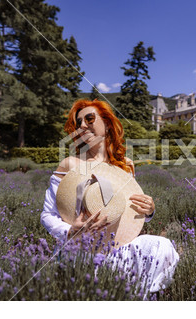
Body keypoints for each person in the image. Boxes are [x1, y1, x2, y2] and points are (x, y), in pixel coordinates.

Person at [40, 99, 179, 295]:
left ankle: (137, 300)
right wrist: (71, 231)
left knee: (162, 247)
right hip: (80, 250)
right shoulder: (69, 164)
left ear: (107, 124)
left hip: (117, 247)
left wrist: (149, 211)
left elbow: (128, 208)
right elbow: (47, 215)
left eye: (89, 118)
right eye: (78, 122)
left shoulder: (125, 165)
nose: (82, 125)